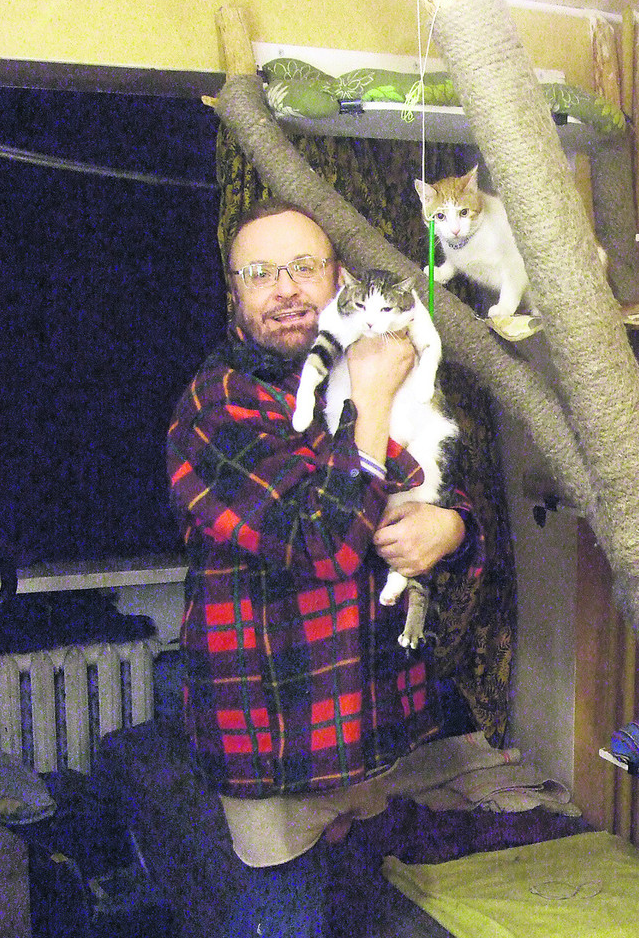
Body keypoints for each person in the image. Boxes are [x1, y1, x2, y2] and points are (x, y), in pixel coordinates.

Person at [166, 199, 483, 937]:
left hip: (371, 712)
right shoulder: (218, 404)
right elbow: (327, 544)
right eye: (260, 273)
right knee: (284, 914)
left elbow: (434, 481)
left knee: (359, 907)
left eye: (304, 267)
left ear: (338, 280)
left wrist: (452, 528)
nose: (285, 289)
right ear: (234, 296)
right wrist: (370, 400)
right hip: (275, 726)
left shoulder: (372, 363)